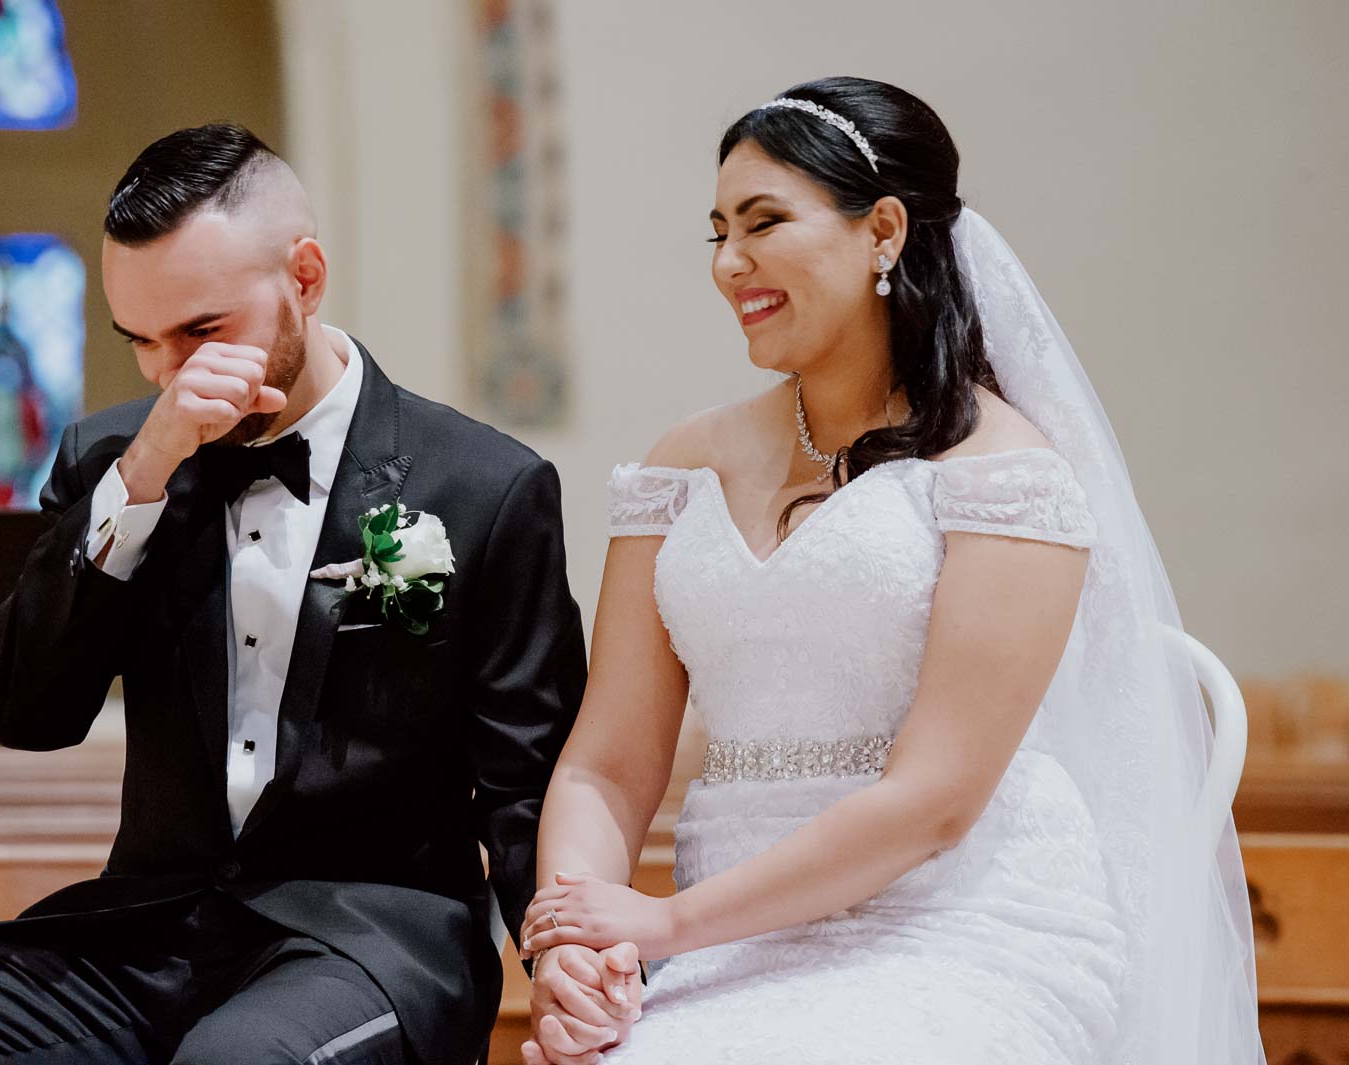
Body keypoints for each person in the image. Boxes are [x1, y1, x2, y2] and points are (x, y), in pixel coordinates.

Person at [0, 122, 638, 1065]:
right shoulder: (115, 459)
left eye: (200, 330)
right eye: (139, 339)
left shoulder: (484, 486)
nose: (165, 371)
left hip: (370, 938)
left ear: (303, 277)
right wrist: (141, 476)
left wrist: (562, 960)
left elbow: (524, 781)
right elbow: (24, 709)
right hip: (149, 931)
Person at [516, 77, 1263, 1064]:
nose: (728, 263)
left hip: (961, 934)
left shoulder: (1003, 477)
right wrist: (578, 934)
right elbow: (607, 763)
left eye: (763, 223)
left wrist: (666, 925)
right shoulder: (678, 470)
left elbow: (933, 803)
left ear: (883, 232)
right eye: (716, 232)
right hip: (724, 949)